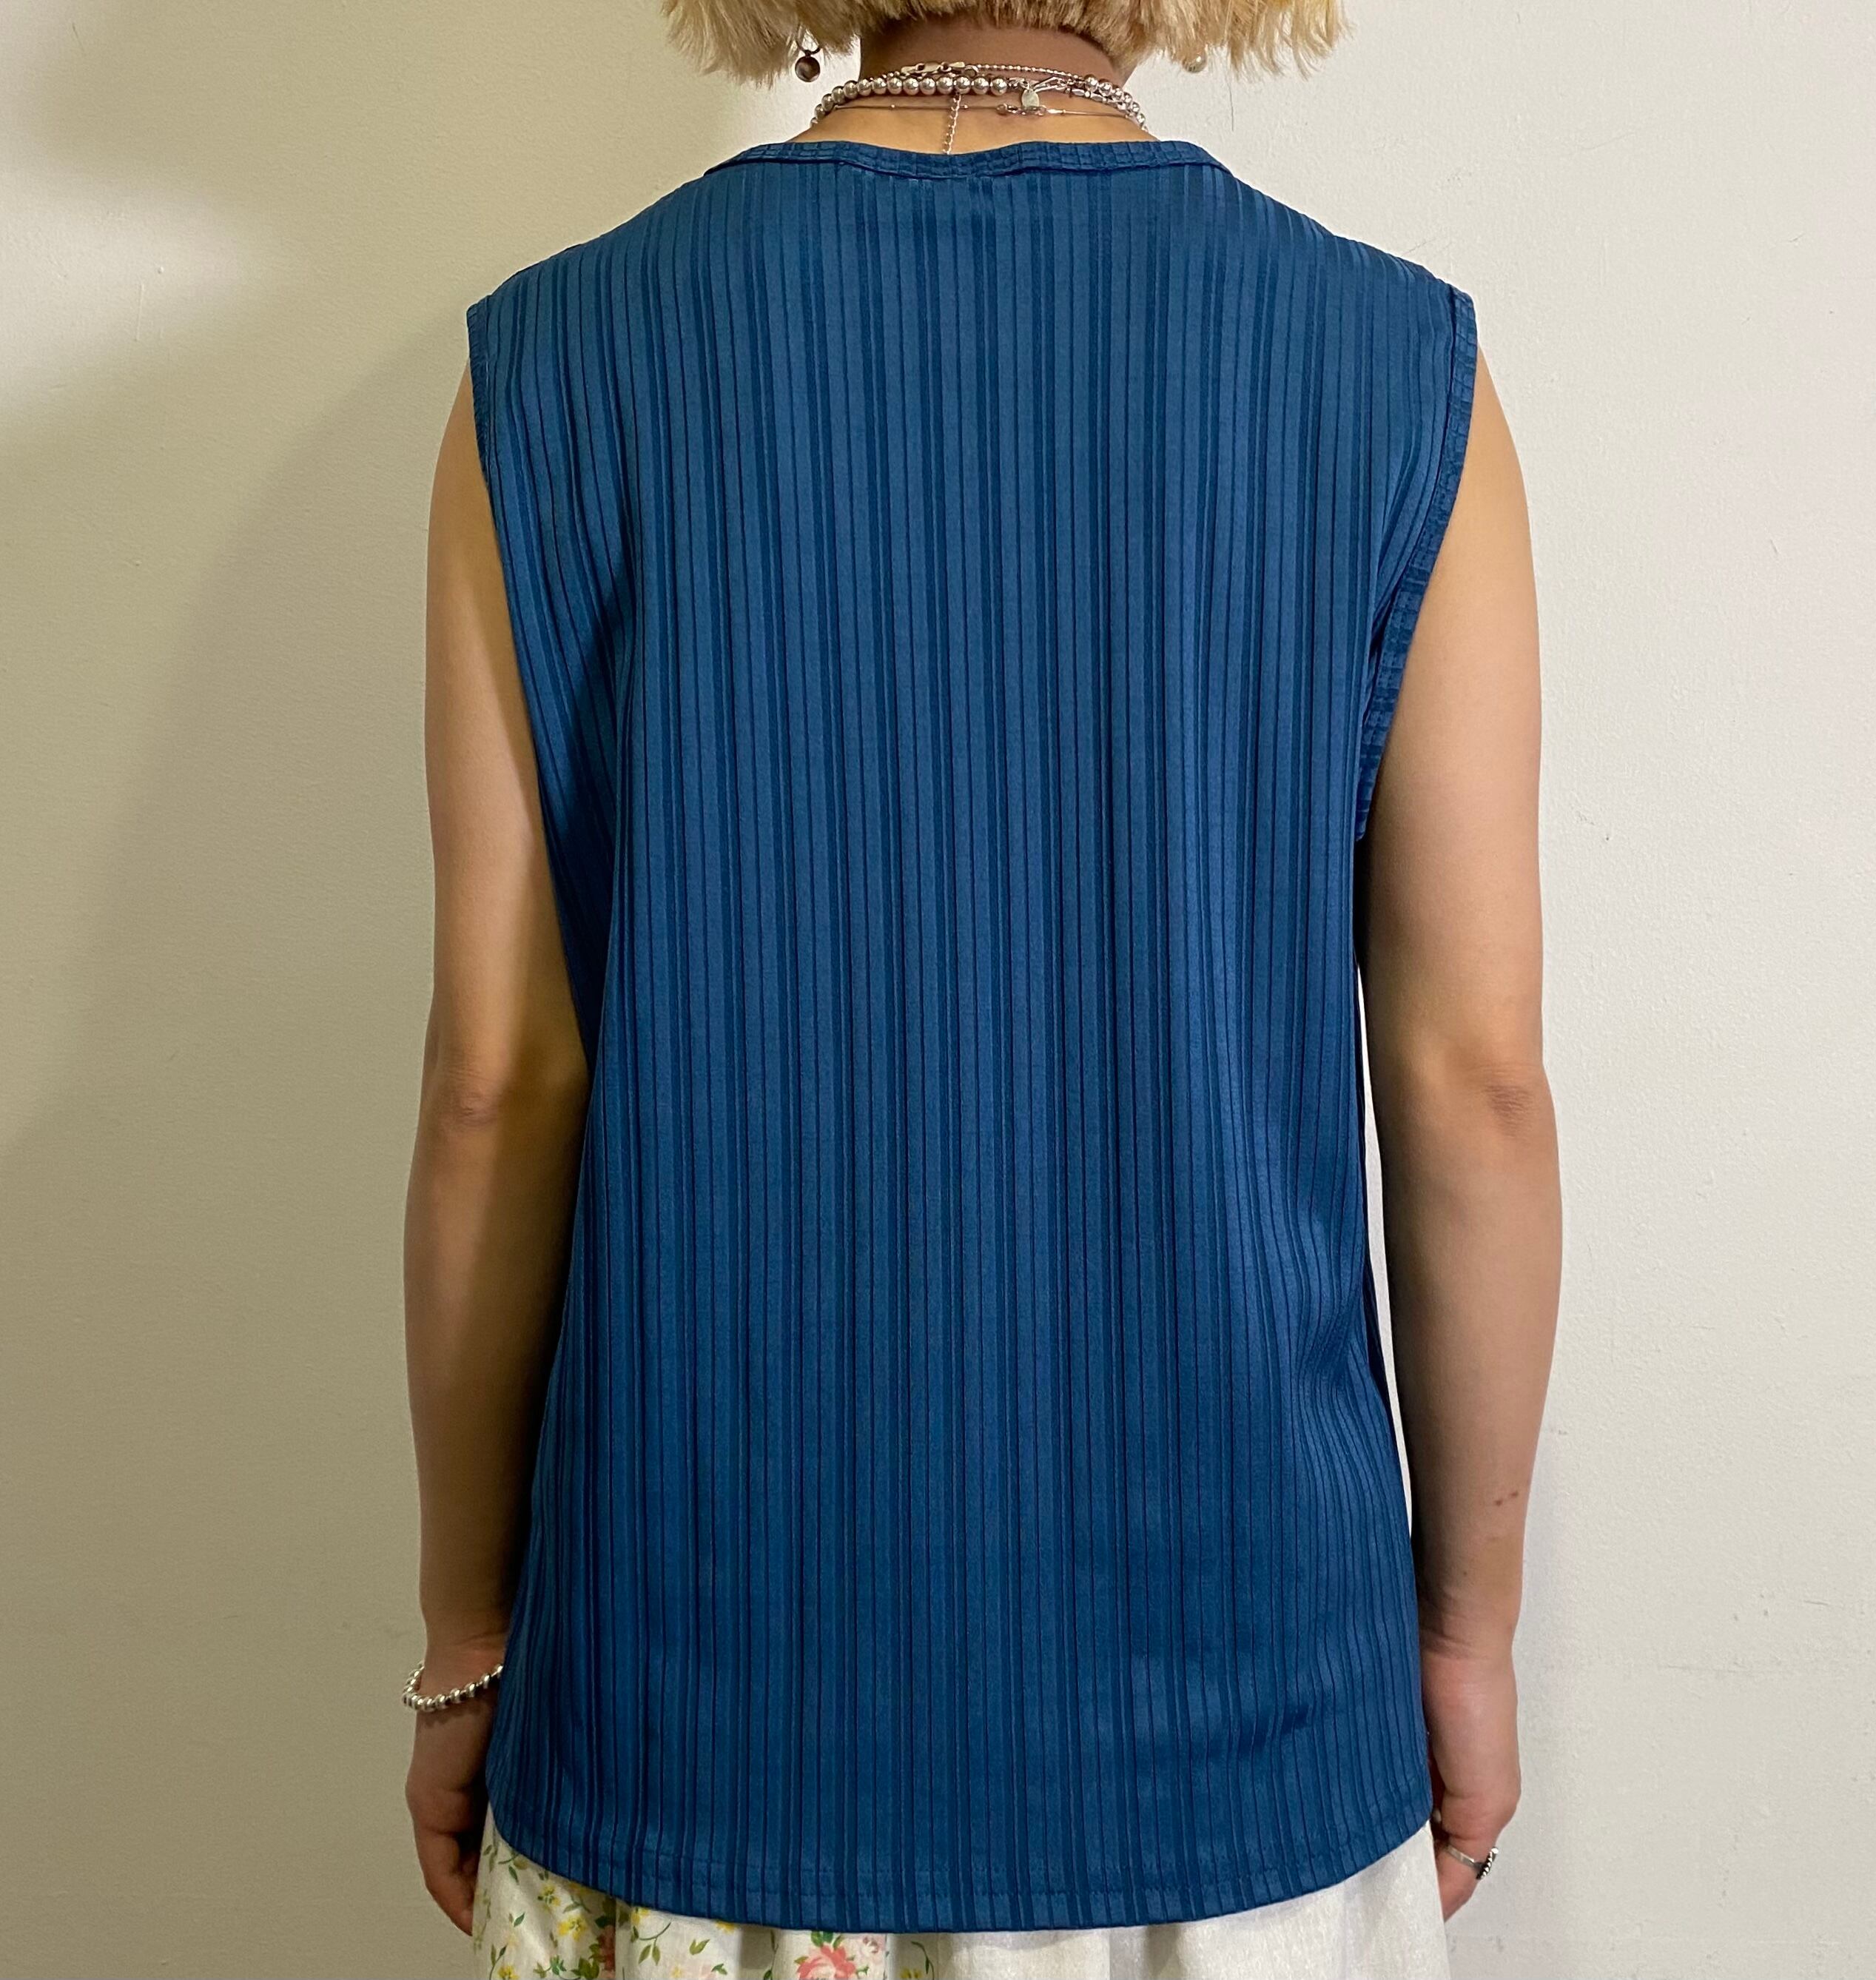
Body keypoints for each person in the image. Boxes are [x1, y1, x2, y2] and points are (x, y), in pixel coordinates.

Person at [400, 0, 1560, 1970]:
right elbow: (1473, 1084)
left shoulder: (554, 362)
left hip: (700, 1703)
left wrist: (464, 1635)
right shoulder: (1392, 368)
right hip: (1244, 1715)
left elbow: (498, 1082)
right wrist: (1463, 1631)